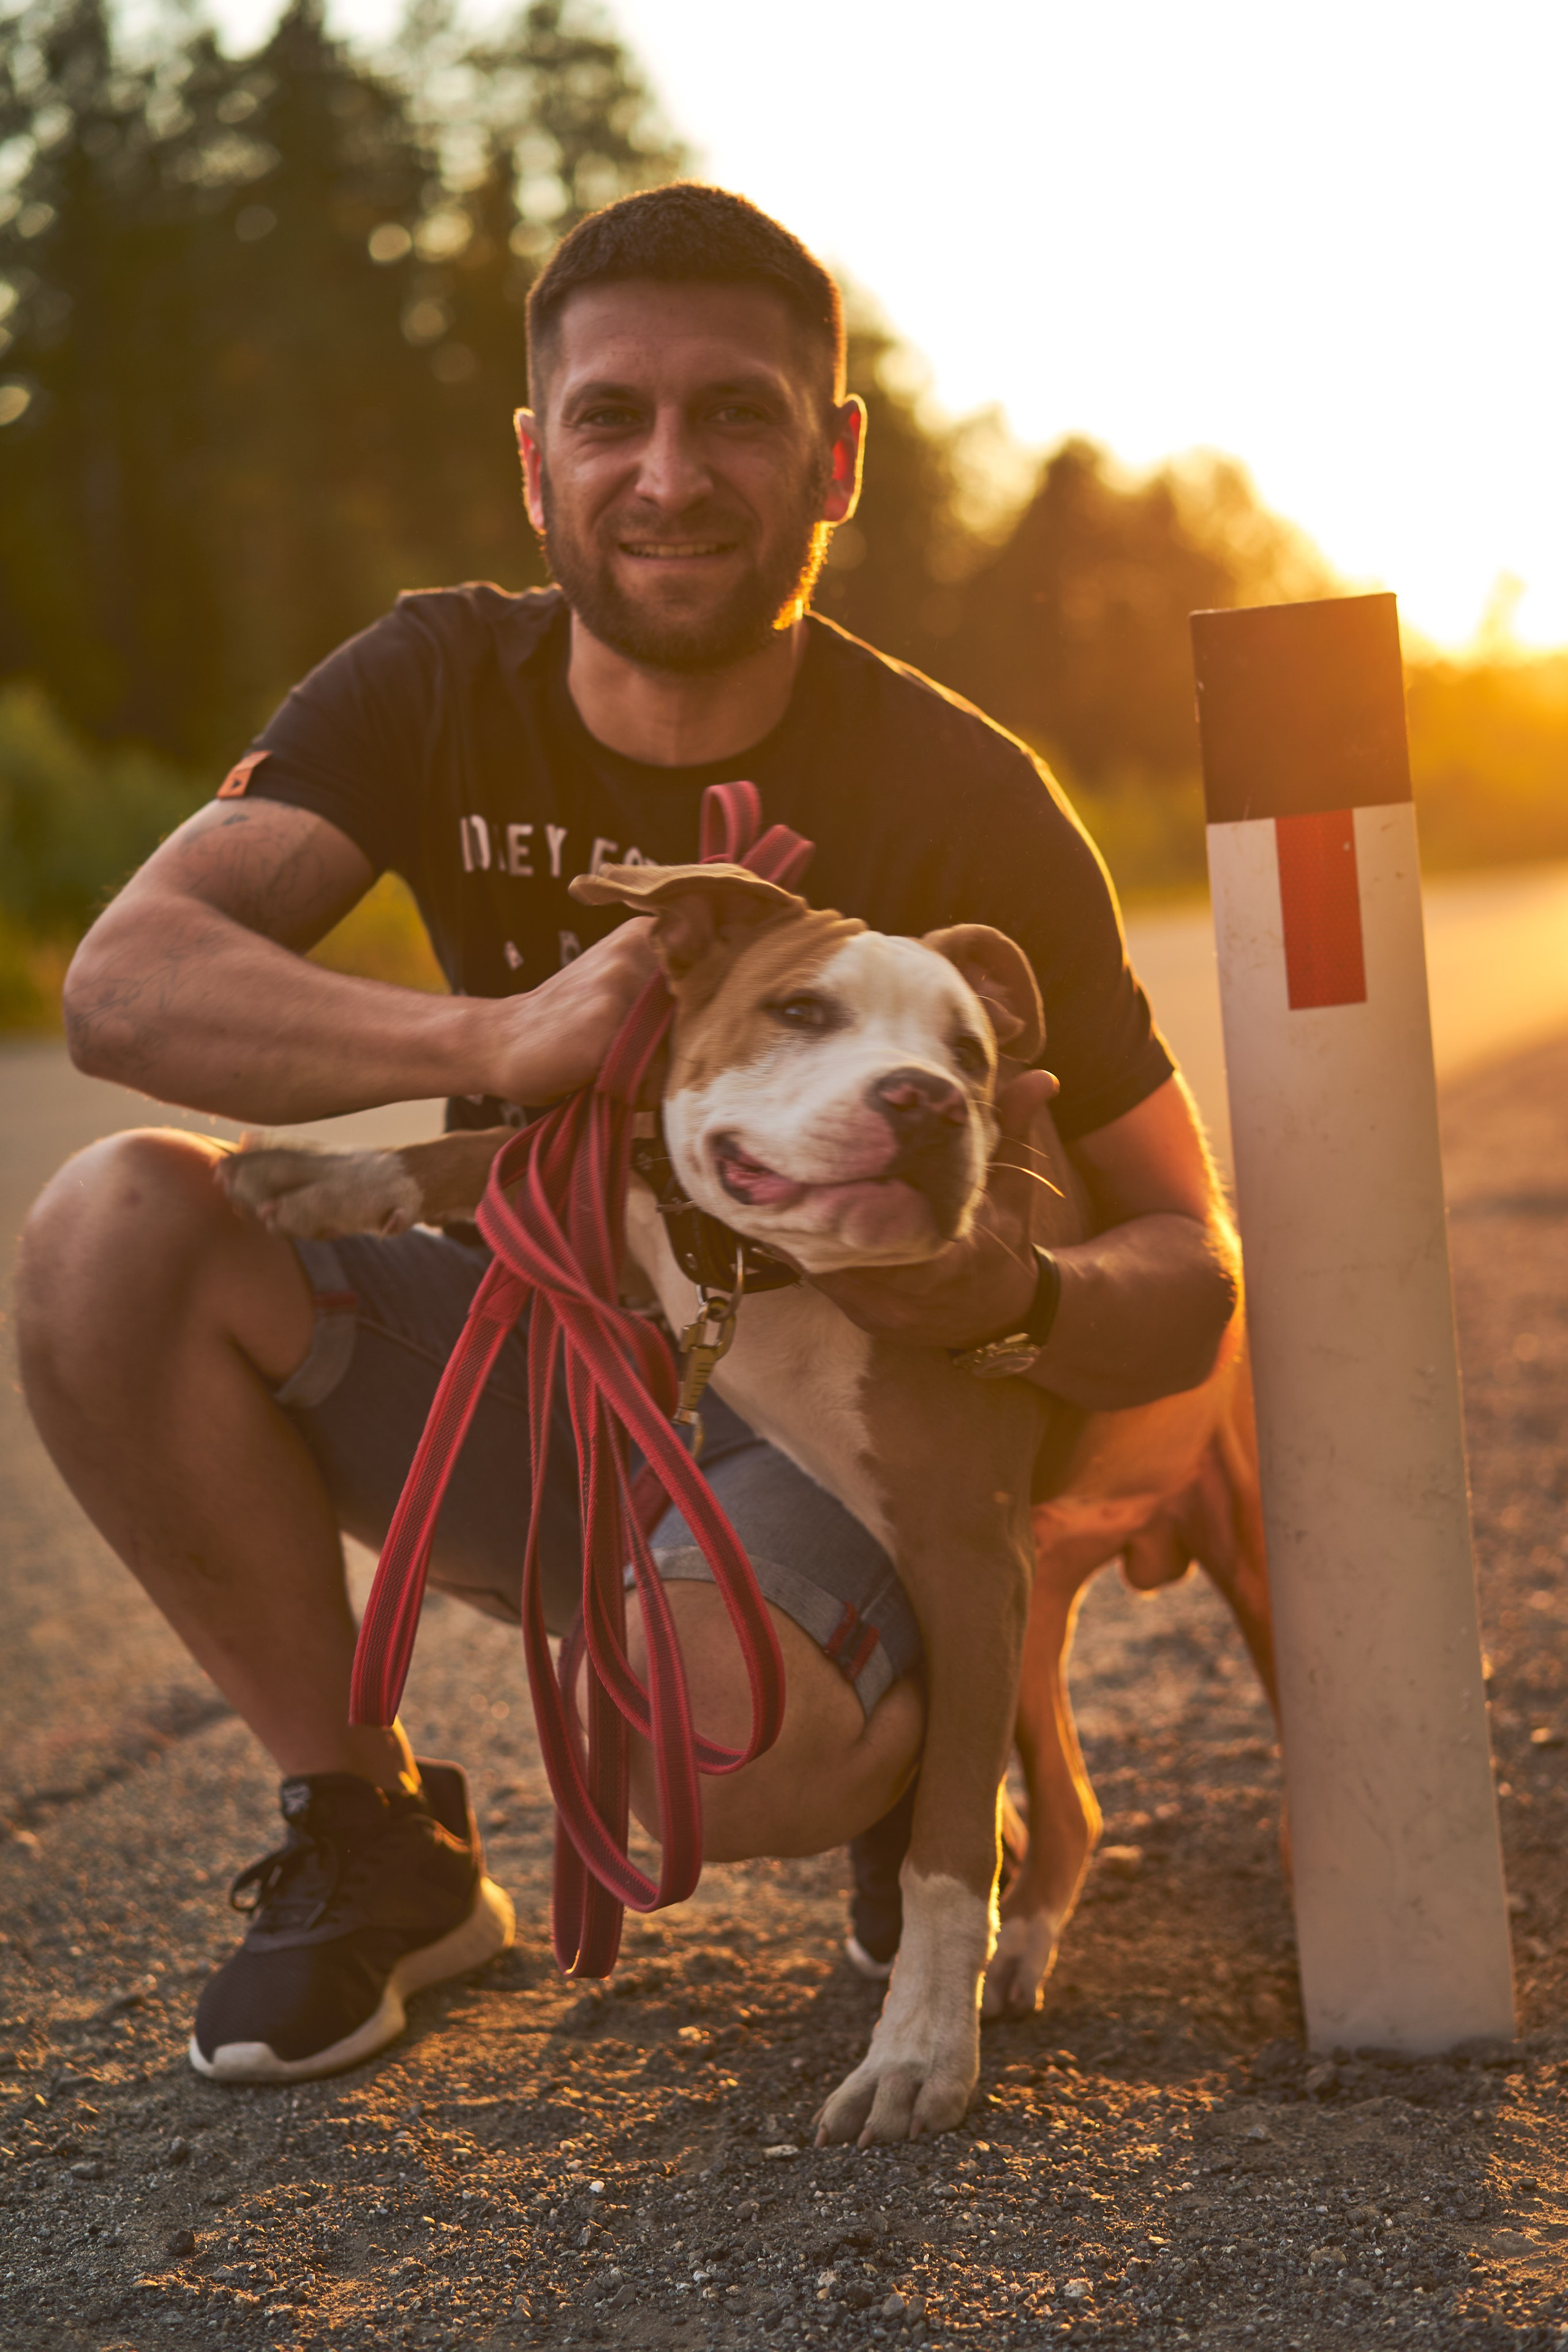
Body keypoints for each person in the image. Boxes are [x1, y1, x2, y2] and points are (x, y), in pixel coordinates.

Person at [18, 185, 1237, 2083]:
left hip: (840, 1430)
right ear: (537, 463)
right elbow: (125, 989)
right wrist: (500, 1035)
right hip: (558, 1355)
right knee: (114, 1227)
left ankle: (909, 1737)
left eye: (737, 413)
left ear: (835, 459)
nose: (670, 476)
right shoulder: (433, 682)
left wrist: (1007, 1302)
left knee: (695, 1743)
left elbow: (1189, 1261)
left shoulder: (966, 795)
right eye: (613, 418)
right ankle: (369, 1836)